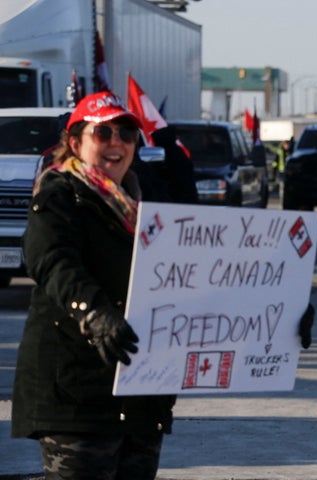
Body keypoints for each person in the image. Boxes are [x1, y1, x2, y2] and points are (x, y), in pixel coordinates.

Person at [11, 91, 173, 479]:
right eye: (103, 133)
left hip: (141, 391)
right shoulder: (59, 195)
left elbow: (201, 272)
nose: (116, 143)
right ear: (76, 142)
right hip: (77, 393)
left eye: (127, 134)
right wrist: (95, 313)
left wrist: (277, 314)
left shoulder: (147, 202)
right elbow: (52, 263)